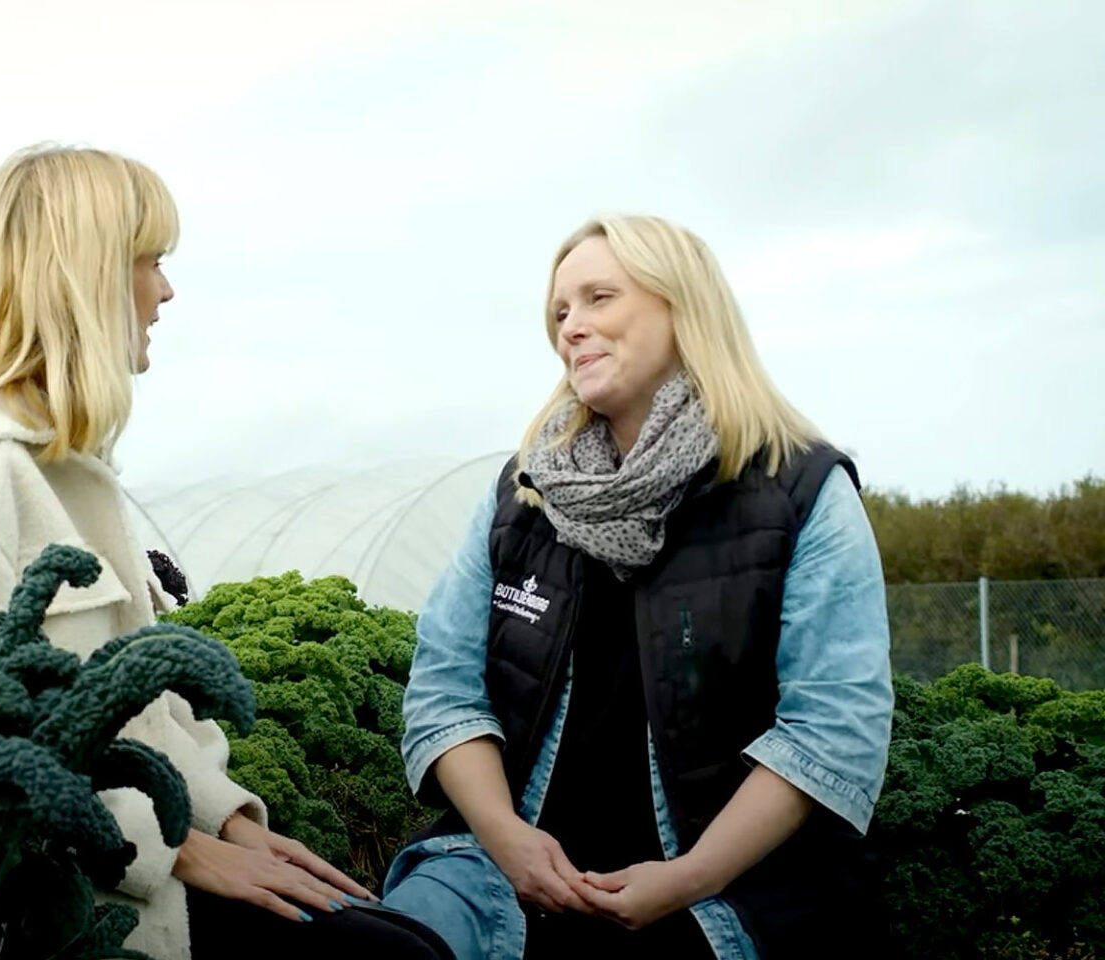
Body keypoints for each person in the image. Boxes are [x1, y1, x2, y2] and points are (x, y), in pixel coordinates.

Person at [0, 144, 452, 960]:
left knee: (407, 941)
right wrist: (184, 849)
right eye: (149, 261)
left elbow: (141, 721)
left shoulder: (60, 475)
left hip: (149, 877)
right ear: (83, 276)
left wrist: (233, 822)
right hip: (81, 913)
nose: (165, 290)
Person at [381, 215, 894, 960]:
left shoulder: (800, 489)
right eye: (560, 312)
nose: (572, 328)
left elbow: (832, 732)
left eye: (599, 298)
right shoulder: (524, 492)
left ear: (683, 307)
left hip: (731, 889)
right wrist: (509, 840)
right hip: (505, 869)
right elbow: (444, 691)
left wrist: (688, 878)